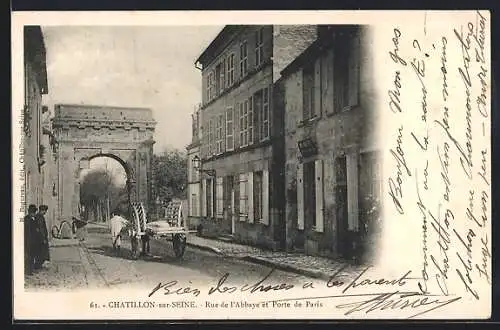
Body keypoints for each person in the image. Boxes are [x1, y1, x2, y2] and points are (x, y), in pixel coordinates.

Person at [34, 205, 50, 270]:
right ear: (42, 210)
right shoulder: (39, 217)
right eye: (45, 211)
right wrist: (43, 238)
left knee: (41, 252)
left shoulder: (39, 217)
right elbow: (41, 229)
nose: (45, 212)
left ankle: (39, 265)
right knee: (41, 252)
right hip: (40, 238)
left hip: (41, 237)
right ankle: (38, 266)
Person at [24, 204, 38, 275]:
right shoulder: (26, 219)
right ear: (30, 212)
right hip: (28, 240)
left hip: (33, 241)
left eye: (34, 213)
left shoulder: (33, 219)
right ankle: (27, 270)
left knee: (32, 255)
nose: (34, 214)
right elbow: (27, 231)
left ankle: (31, 269)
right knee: (28, 256)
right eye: (33, 212)